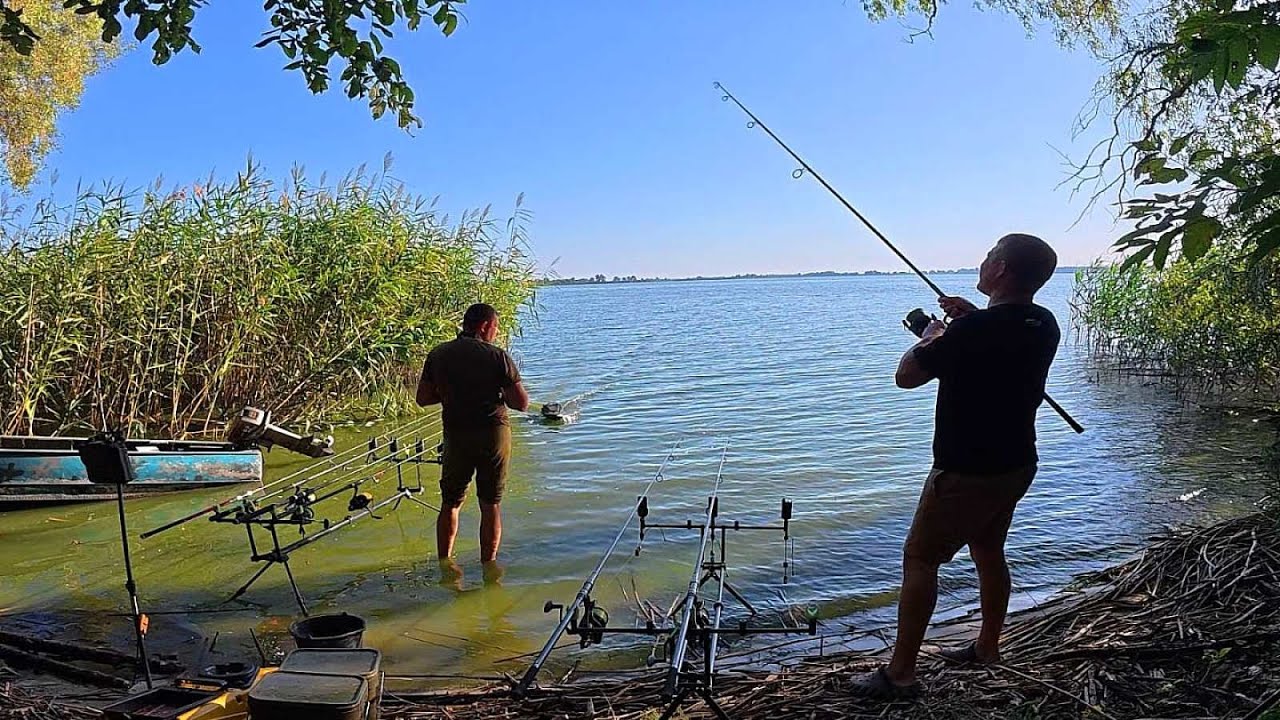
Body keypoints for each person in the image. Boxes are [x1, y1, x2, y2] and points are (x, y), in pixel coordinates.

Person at [852, 233, 1062, 700]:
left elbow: (906, 376)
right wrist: (970, 323)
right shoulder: (1043, 323)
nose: (982, 260)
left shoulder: (970, 332)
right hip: (1016, 463)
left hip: (967, 470)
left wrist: (933, 336)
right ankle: (988, 646)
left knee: (921, 558)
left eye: (990, 255)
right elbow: (998, 341)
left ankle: (900, 674)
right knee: (988, 549)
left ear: (1002, 269)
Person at [416, 303, 529, 566]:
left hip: (456, 434)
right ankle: (488, 566)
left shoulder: (439, 354)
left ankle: (445, 562)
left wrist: (451, 394)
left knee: (451, 502)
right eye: (495, 328)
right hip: (493, 434)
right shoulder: (497, 356)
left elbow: (422, 398)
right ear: (485, 326)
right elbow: (521, 403)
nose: (496, 333)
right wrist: (498, 393)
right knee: (490, 503)